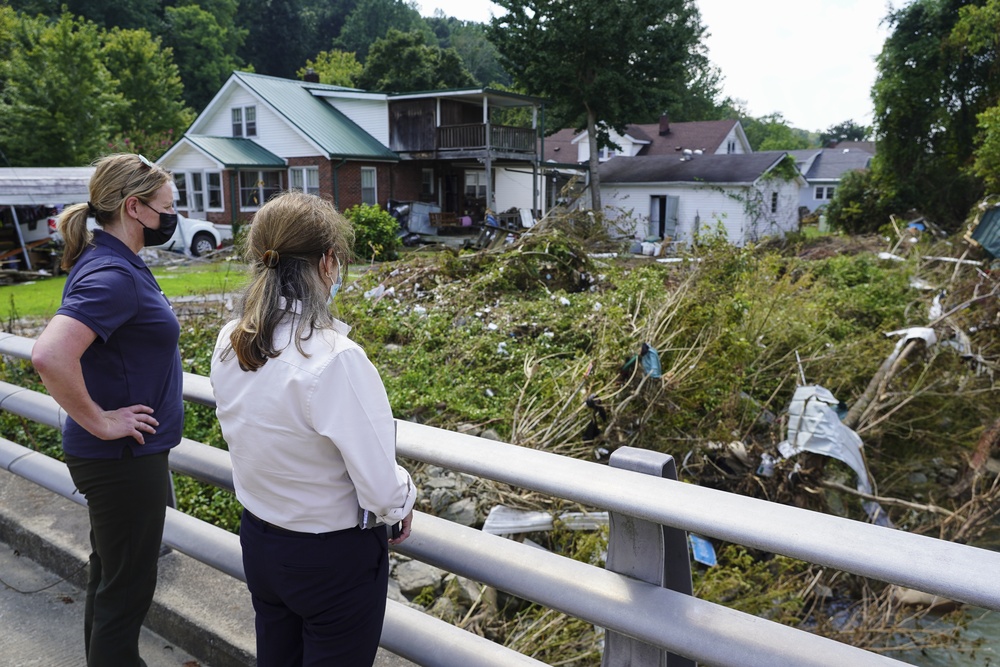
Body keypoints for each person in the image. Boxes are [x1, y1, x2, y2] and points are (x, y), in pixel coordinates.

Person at [210, 191, 415, 667]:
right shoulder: (335, 359)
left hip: (261, 540)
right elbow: (382, 492)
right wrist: (405, 496)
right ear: (328, 264)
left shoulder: (233, 338)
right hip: (330, 560)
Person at [31, 153, 184, 667]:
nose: (174, 215)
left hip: (119, 459)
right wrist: (100, 419)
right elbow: (49, 355)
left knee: (111, 579)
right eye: (168, 206)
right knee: (126, 590)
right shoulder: (114, 275)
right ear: (135, 208)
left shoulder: (109, 262)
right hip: (122, 460)